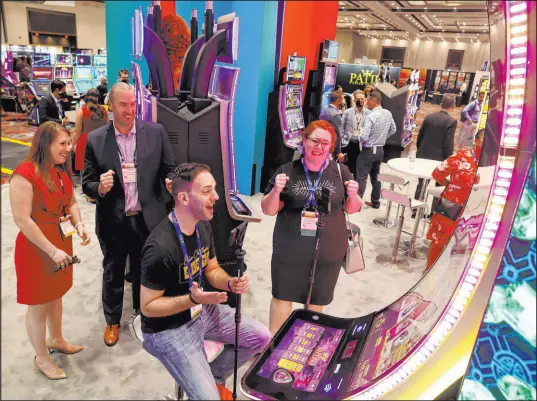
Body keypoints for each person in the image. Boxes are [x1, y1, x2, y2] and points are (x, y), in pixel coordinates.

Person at [140, 162, 271, 400]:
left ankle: (212, 375)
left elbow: (212, 270)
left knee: (261, 337)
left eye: (215, 189)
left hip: (202, 310)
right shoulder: (159, 248)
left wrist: (230, 283)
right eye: (206, 191)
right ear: (184, 197)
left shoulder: (203, 226)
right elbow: (147, 308)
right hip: (169, 329)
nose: (216, 197)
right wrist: (192, 299)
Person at [82, 82, 176, 347]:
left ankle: (142, 314)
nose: (130, 109)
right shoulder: (96, 139)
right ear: (110, 106)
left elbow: (170, 169)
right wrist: (98, 187)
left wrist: (171, 182)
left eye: (133, 103)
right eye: (123, 104)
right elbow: (86, 181)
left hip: (148, 218)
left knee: (143, 271)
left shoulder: (156, 133)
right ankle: (112, 321)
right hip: (113, 220)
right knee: (113, 271)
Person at [261, 120, 362, 335]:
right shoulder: (287, 170)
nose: (319, 146)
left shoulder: (341, 171)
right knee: (282, 295)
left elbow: (352, 209)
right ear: (304, 141)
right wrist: (276, 191)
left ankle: (302, 345)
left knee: (316, 300)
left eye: (325, 143)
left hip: (328, 247)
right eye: (314, 140)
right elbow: (268, 210)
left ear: (331, 147)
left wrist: (354, 194)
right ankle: (273, 346)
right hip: (290, 246)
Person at [9, 122, 91, 380]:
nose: (69, 148)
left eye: (69, 143)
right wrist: (52, 250)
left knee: (56, 296)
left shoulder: (59, 172)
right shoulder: (24, 174)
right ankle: (41, 358)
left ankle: (56, 338)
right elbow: (23, 220)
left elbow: (72, 202)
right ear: (46, 144)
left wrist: (78, 224)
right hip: (37, 248)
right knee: (38, 304)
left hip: (60, 242)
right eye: (63, 144)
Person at [424, 129, 482, 272]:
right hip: (452, 203)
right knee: (439, 239)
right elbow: (437, 173)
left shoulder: (490, 161)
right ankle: (429, 270)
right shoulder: (462, 156)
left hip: (474, 207)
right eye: (484, 140)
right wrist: (450, 186)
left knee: (463, 243)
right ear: (476, 141)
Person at [356, 91, 396, 209]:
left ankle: (356, 205)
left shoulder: (371, 116)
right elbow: (393, 129)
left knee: (361, 178)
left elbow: (364, 136)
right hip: (380, 151)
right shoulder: (388, 113)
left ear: (373, 101)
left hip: (368, 151)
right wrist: (382, 138)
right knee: (376, 177)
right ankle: (375, 202)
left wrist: (358, 138)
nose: (366, 103)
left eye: (368, 101)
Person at [414, 94, 457, 201]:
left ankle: (415, 208)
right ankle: (434, 212)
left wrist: (420, 150)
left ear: (441, 104)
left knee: (422, 183)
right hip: (439, 159)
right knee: (440, 186)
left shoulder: (429, 116)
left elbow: (420, 136)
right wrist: (449, 159)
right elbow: (448, 143)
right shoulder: (451, 121)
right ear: (453, 106)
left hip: (423, 155)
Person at [72, 88, 109, 202]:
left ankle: (90, 194)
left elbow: (78, 131)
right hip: (101, 142)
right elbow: (108, 127)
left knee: (87, 169)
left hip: (85, 142)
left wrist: (73, 144)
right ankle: (100, 190)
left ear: (86, 97)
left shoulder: (81, 111)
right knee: (99, 167)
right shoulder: (104, 110)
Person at [341, 89, 367, 176]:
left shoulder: (369, 113)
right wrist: (343, 138)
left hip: (361, 145)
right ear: (355, 100)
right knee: (346, 167)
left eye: (362, 99)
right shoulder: (348, 112)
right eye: (359, 98)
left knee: (358, 168)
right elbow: (341, 126)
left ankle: (355, 186)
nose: (361, 100)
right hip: (348, 143)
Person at [319, 90, 344, 162]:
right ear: (338, 100)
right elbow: (338, 135)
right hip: (330, 148)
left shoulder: (325, 110)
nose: (343, 101)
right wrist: (339, 152)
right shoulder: (335, 115)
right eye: (342, 99)